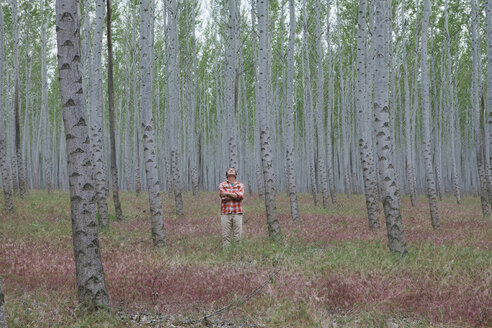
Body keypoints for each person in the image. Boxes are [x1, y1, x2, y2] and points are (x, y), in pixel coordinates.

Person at [218, 168, 245, 247]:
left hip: (237, 213)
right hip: (225, 213)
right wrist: (235, 196)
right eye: (229, 170)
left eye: (232, 170)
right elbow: (223, 197)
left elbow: (240, 196)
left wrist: (227, 193)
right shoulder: (222, 185)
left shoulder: (240, 185)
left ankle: (237, 254)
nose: (231, 170)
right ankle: (227, 255)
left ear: (235, 174)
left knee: (237, 236)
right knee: (226, 236)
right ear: (226, 175)